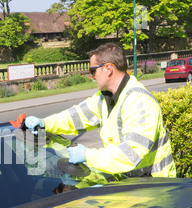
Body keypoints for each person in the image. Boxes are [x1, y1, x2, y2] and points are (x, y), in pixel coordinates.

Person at [25, 43, 176, 178]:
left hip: (156, 187)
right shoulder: (104, 98)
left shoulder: (140, 102)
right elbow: (76, 117)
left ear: (108, 69)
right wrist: (45, 122)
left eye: (92, 70)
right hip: (131, 183)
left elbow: (131, 154)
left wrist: (87, 155)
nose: (91, 76)